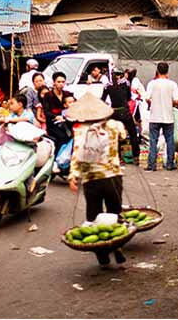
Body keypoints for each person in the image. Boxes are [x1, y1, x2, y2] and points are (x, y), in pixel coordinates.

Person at [66, 92, 127, 267]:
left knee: (94, 216)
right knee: (115, 214)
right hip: (112, 177)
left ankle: (102, 255)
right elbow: (123, 135)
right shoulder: (115, 126)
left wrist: (73, 176)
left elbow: (76, 154)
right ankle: (117, 247)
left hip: (91, 180)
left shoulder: (81, 130)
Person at [145, 62, 178, 171]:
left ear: (157, 70)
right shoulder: (172, 84)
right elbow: (176, 100)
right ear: (167, 71)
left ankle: (152, 165)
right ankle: (170, 164)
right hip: (168, 117)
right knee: (169, 140)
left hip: (155, 116)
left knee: (153, 141)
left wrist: (153, 102)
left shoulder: (152, 84)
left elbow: (147, 98)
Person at [102, 68, 140, 165]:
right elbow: (129, 97)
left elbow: (103, 99)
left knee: (115, 135)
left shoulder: (108, 86)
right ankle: (136, 156)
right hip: (125, 112)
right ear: (121, 75)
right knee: (132, 134)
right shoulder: (126, 84)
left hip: (114, 112)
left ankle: (118, 158)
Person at [43, 72, 74, 155]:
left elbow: (76, 105)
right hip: (53, 124)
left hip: (67, 122)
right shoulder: (48, 95)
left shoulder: (68, 94)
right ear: (54, 83)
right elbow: (46, 112)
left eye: (63, 82)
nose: (61, 84)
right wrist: (56, 117)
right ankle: (58, 156)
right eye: (59, 82)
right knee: (62, 137)